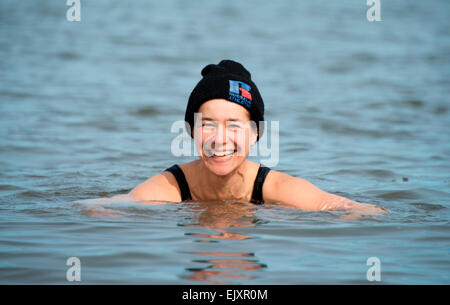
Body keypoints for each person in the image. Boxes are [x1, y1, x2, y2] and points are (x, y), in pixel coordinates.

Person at [96, 59, 387, 216]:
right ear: (191, 131)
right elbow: (101, 206)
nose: (219, 140)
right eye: (208, 124)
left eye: (234, 125)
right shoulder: (172, 187)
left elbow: (354, 208)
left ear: (255, 133)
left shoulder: (274, 187)